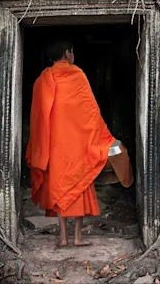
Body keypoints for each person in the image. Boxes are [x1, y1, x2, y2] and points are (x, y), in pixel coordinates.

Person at [25, 39, 115, 247]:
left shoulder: (42, 81)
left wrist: (39, 147)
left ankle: (63, 238)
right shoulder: (77, 75)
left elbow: (37, 119)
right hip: (77, 144)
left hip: (54, 147)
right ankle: (77, 238)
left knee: (59, 187)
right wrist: (103, 137)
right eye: (73, 52)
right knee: (80, 185)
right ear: (67, 53)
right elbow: (90, 112)